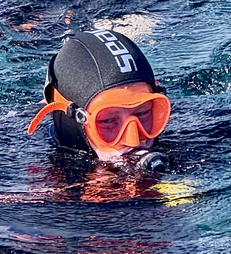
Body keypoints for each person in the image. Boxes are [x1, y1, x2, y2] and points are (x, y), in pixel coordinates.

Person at [27, 29, 171, 167]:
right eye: (107, 121)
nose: (133, 140)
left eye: (142, 113)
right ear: (76, 120)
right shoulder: (27, 159)